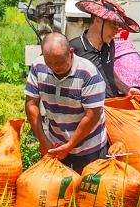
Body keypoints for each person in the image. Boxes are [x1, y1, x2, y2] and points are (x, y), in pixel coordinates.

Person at [23, 33, 108, 174]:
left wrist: (70, 145)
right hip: (55, 144)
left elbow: (92, 116)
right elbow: (31, 105)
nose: (56, 68)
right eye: (50, 64)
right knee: (57, 193)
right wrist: (43, 140)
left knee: (86, 193)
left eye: (60, 63)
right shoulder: (39, 67)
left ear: (71, 52)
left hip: (89, 148)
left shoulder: (88, 73)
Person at [73, 0, 140, 115]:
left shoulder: (109, 46)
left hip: (112, 112)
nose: (117, 31)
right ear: (98, 20)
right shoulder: (74, 48)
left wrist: (127, 89)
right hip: (88, 116)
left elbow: (109, 73)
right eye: (113, 25)